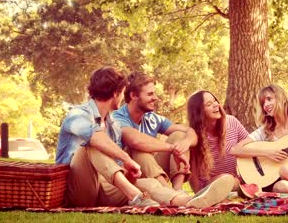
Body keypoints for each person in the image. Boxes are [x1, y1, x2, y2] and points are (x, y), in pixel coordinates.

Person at [56, 66, 233, 208]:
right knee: (91, 143)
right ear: (116, 92)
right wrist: (126, 158)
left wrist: (130, 174)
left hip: (106, 188)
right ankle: (134, 195)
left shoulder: (112, 124)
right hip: (78, 190)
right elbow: (96, 138)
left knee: (148, 183)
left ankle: (188, 202)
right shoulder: (77, 114)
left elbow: (113, 165)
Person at [112, 71, 198, 191]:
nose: (155, 98)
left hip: (151, 171)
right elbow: (135, 141)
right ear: (134, 96)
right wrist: (172, 149)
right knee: (139, 148)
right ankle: (169, 193)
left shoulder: (152, 118)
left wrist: (186, 142)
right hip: (126, 178)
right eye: (150, 94)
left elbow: (190, 131)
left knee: (179, 135)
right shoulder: (117, 118)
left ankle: (178, 190)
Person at [186, 90, 249, 193]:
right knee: (227, 179)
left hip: (234, 182)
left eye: (215, 100)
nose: (216, 105)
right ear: (199, 112)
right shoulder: (194, 135)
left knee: (232, 181)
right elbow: (193, 172)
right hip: (208, 186)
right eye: (209, 104)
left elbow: (249, 145)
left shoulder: (231, 122)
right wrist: (198, 194)